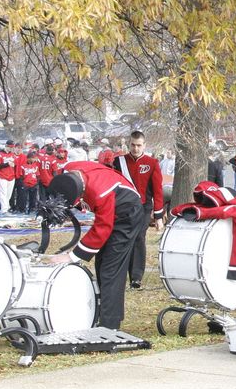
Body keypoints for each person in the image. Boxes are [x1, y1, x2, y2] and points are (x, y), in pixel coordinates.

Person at [44, 162, 145, 330]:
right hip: (112, 208)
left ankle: (109, 325)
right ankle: (103, 314)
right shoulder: (70, 169)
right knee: (101, 263)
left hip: (127, 213)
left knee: (111, 269)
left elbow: (102, 228)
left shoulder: (100, 192)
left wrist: (71, 256)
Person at [112, 130, 165, 289]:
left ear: (144, 145)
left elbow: (158, 191)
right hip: (122, 207)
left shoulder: (152, 163)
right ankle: (120, 274)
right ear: (129, 144)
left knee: (138, 238)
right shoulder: (118, 162)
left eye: (139, 145)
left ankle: (136, 277)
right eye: (133, 145)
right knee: (122, 239)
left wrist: (158, 216)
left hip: (142, 207)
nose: (136, 149)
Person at [0, 140, 18, 214]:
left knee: (8, 194)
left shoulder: (13, 155)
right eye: (10, 147)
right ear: (6, 146)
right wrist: (6, 164)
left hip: (11, 176)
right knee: (3, 193)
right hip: (3, 176)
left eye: (12, 147)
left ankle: (7, 207)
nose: (11, 149)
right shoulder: (0, 155)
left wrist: (14, 165)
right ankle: (4, 209)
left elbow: (15, 164)